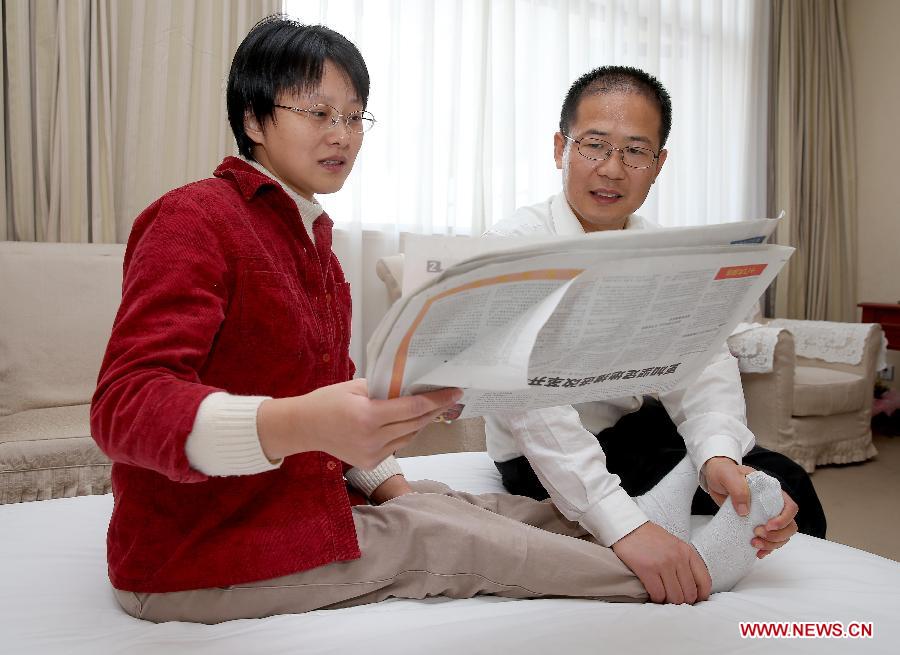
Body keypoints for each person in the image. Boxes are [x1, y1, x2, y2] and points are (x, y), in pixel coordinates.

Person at [92, 17, 732, 624]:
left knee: (479, 508)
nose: (341, 134)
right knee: (446, 537)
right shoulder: (194, 218)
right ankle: (687, 573)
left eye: (353, 116)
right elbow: (125, 406)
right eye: (318, 113)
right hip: (199, 553)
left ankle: (657, 533)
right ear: (255, 118)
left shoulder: (308, 240)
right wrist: (304, 423)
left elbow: (327, 402)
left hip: (300, 496)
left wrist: (392, 485)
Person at [484, 65, 826, 603]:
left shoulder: (665, 250)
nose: (612, 170)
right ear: (560, 148)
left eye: (636, 152)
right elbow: (533, 412)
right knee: (745, 494)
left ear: (658, 164)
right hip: (539, 454)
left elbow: (704, 361)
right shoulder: (516, 244)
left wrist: (717, 455)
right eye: (594, 145)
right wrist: (626, 527)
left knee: (784, 481)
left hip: (634, 430)